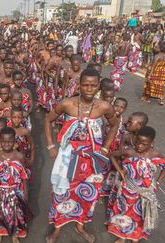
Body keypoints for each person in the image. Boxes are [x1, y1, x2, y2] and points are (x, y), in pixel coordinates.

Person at [45, 68, 119, 243]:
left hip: (92, 160)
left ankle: (80, 226)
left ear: (98, 87)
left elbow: (115, 125)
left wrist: (106, 148)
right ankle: (58, 227)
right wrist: (50, 145)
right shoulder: (67, 104)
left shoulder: (104, 106)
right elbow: (48, 120)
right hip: (68, 158)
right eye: (85, 85)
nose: (89, 89)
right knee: (62, 192)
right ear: (79, 85)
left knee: (88, 194)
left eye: (93, 86)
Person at [108, 126, 165, 242]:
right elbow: (112, 155)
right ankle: (122, 236)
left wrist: (158, 182)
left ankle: (135, 236)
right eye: (137, 142)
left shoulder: (155, 155)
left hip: (145, 193)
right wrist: (120, 170)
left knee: (140, 215)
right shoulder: (129, 152)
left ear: (151, 143)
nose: (139, 146)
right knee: (124, 212)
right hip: (128, 190)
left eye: (144, 144)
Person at [0, 127, 32, 243]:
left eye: (10, 141)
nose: (6, 144)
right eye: (4, 141)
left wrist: (25, 193)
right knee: (0, 213)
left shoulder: (19, 156)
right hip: (0, 191)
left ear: (14, 141)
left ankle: (14, 235)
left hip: (16, 191)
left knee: (16, 213)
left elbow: (24, 177)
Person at [142, 41, 165, 105]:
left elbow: (153, 67)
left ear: (160, 48)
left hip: (155, 73)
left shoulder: (157, 56)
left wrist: (149, 75)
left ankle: (147, 98)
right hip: (162, 73)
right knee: (160, 86)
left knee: (150, 85)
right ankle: (161, 100)